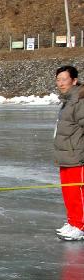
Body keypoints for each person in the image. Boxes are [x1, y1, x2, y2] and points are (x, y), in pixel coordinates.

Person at [54, 65, 84, 241]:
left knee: (77, 192)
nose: (60, 83)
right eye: (58, 80)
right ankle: (73, 221)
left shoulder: (79, 100)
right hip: (65, 154)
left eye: (64, 79)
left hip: (76, 154)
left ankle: (80, 225)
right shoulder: (67, 100)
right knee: (69, 192)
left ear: (74, 80)